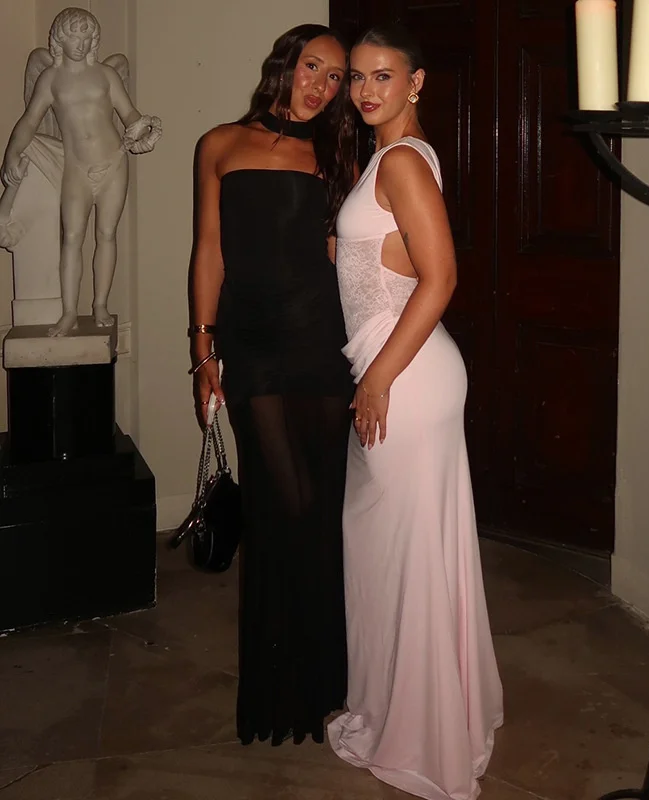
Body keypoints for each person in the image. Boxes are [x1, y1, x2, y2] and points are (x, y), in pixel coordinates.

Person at [327, 23, 503, 800]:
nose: (366, 90)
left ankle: (421, 737)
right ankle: (419, 714)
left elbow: (442, 278)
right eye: (358, 77)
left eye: (383, 76)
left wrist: (377, 381)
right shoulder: (392, 156)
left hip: (405, 376)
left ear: (416, 82)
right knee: (398, 552)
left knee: (403, 557)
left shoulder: (401, 159)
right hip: (399, 368)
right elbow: (390, 262)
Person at [188, 23, 356, 747]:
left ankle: (321, 687)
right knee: (281, 503)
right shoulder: (220, 144)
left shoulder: (339, 155)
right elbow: (209, 249)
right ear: (284, 65)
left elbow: (346, 257)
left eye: (336, 77)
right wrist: (203, 347)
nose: (322, 85)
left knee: (318, 511)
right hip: (252, 346)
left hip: (321, 344)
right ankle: (275, 688)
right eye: (313, 67)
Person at [0, 7, 161, 337]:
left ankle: (100, 304)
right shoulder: (50, 78)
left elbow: (129, 114)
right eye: (74, 37)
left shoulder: (106, 74)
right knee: (72, 238)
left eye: (87, 38)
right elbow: (29, 121)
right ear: (60, 39)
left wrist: (145, 131)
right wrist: (11, 154)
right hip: (76, 168)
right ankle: (69, 312)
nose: (81, 44)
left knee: (106, 234)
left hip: (113, 162)